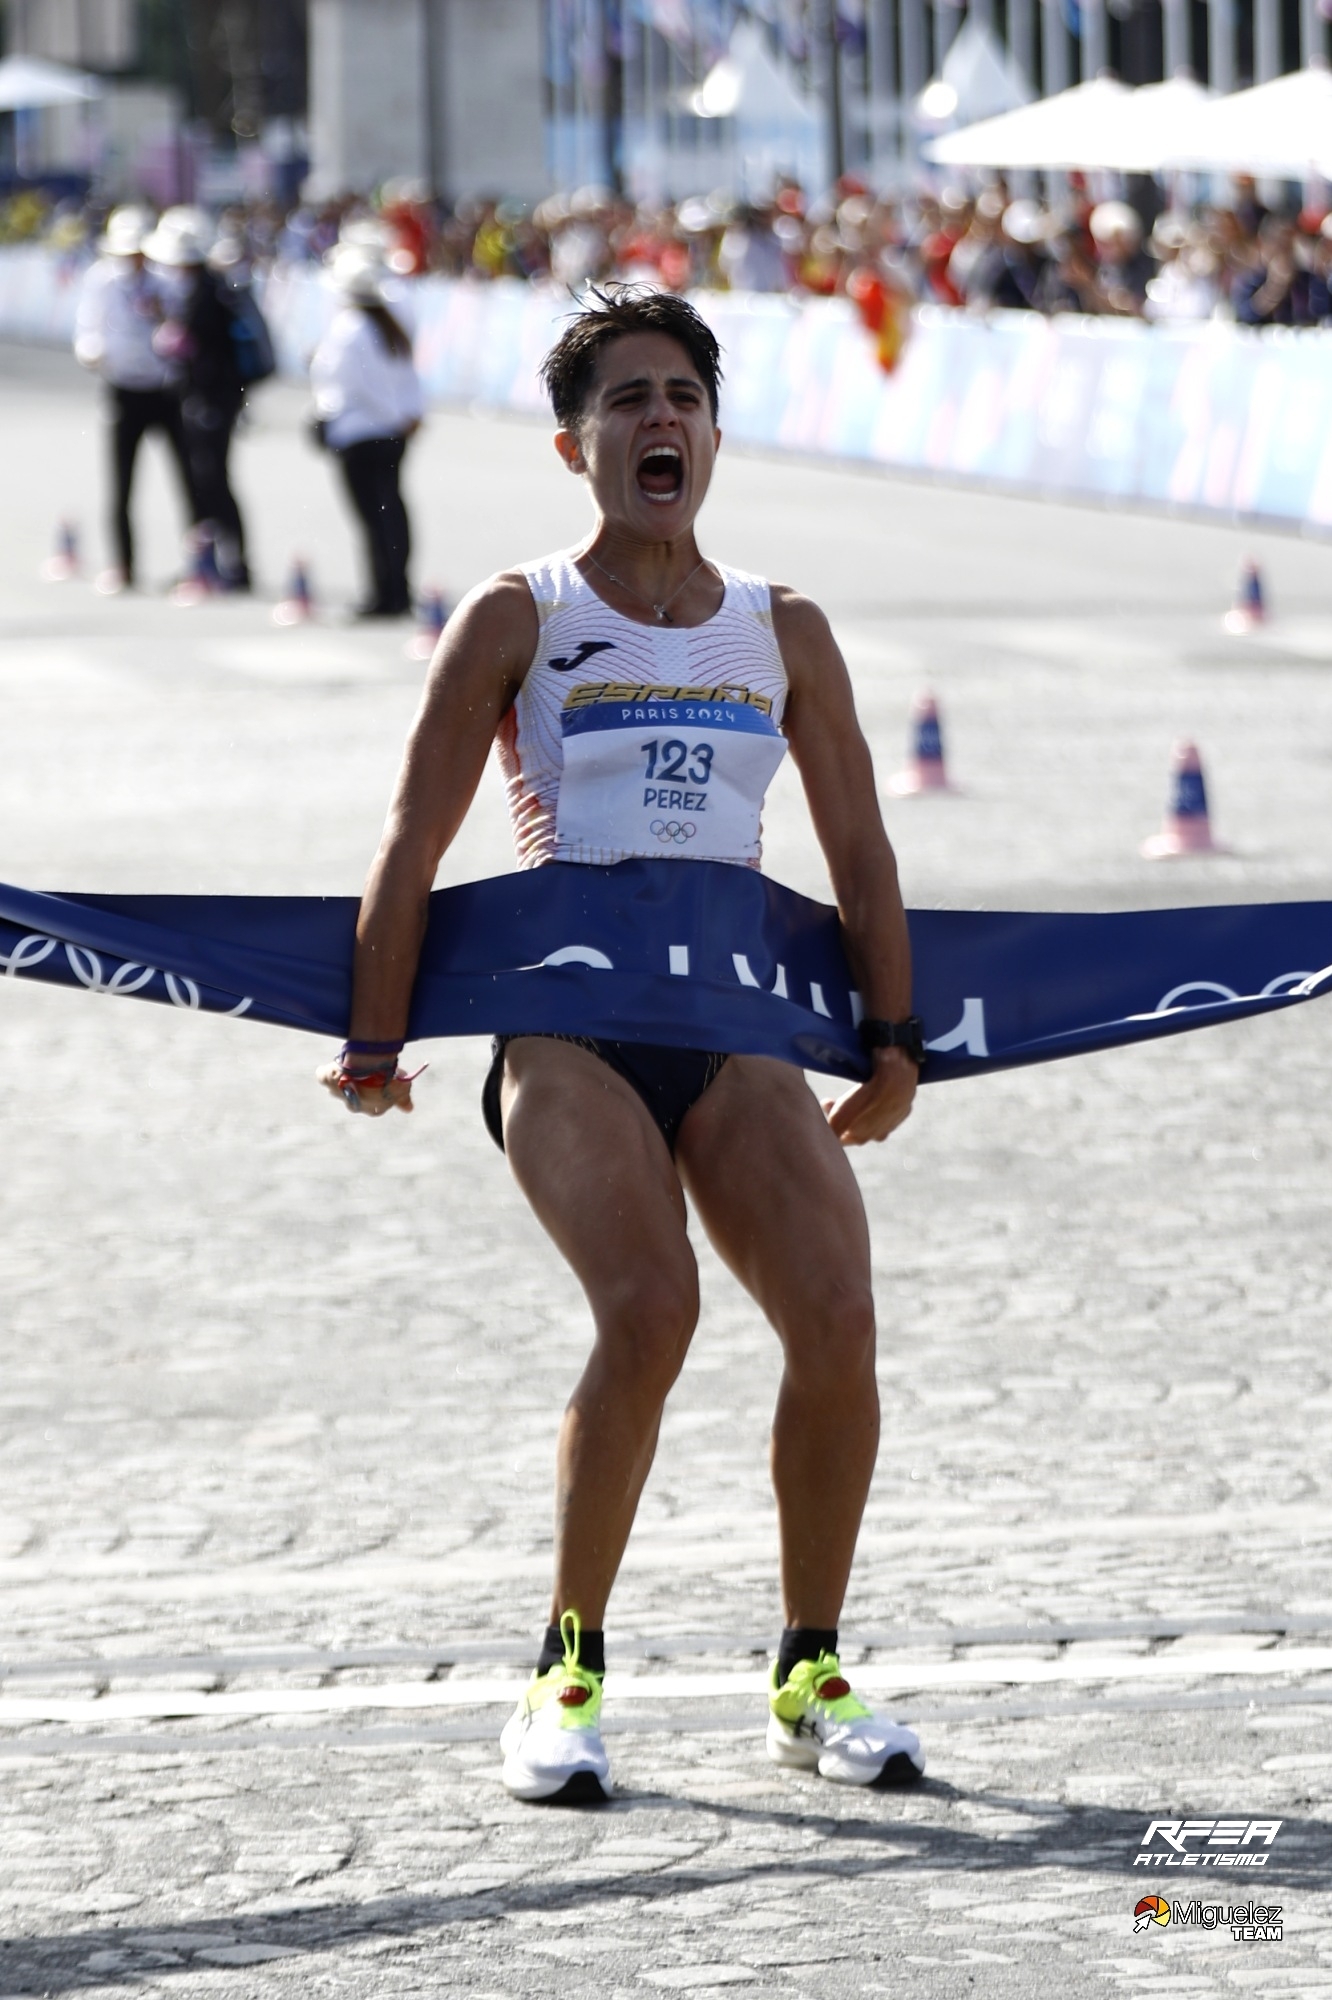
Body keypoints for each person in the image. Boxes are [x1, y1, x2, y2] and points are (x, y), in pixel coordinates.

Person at [317, 287, 927, 1804]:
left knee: (839, 1322)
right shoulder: (521, 616)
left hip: (732, 1036)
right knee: (649, 1309)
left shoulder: (779, 628)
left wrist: (895, 1040)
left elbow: (858, 848)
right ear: (574, 444)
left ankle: (808, 1667)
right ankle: (565, 1671)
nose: (660, 421)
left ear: (714, 434)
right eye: (628, 401)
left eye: (682, 399)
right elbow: (411, 839)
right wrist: (376, 1031)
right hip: (570, 1032)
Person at [72, 205, 197, 594]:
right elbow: (86, 328)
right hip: (124, 388)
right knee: (122, 482)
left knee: (188, 478)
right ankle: (124, 563)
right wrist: (91, 351)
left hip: (165, 389)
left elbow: (184, 332)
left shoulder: (168, 281)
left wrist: (164, 318)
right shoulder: (102, 281)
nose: (134, 259)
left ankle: (198, 562)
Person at [309, 245, 424, 619]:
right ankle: (397, 589)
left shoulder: (349, 329)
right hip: (390, 432)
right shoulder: (387, 325)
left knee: (372, 519)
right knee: (391, 511)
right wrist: (404, 416)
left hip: (360, 432)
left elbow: (350, 384)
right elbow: (405, 379)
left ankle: (383, 593)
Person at [144, 207, 253, 592]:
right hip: (218, 396)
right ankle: (222, 561)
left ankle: (229, 563)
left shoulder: (203, 293)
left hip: (210, 398)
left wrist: (159, 321)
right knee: (212, 478)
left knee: (211, 480)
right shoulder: (213, 286)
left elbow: (177, 344)